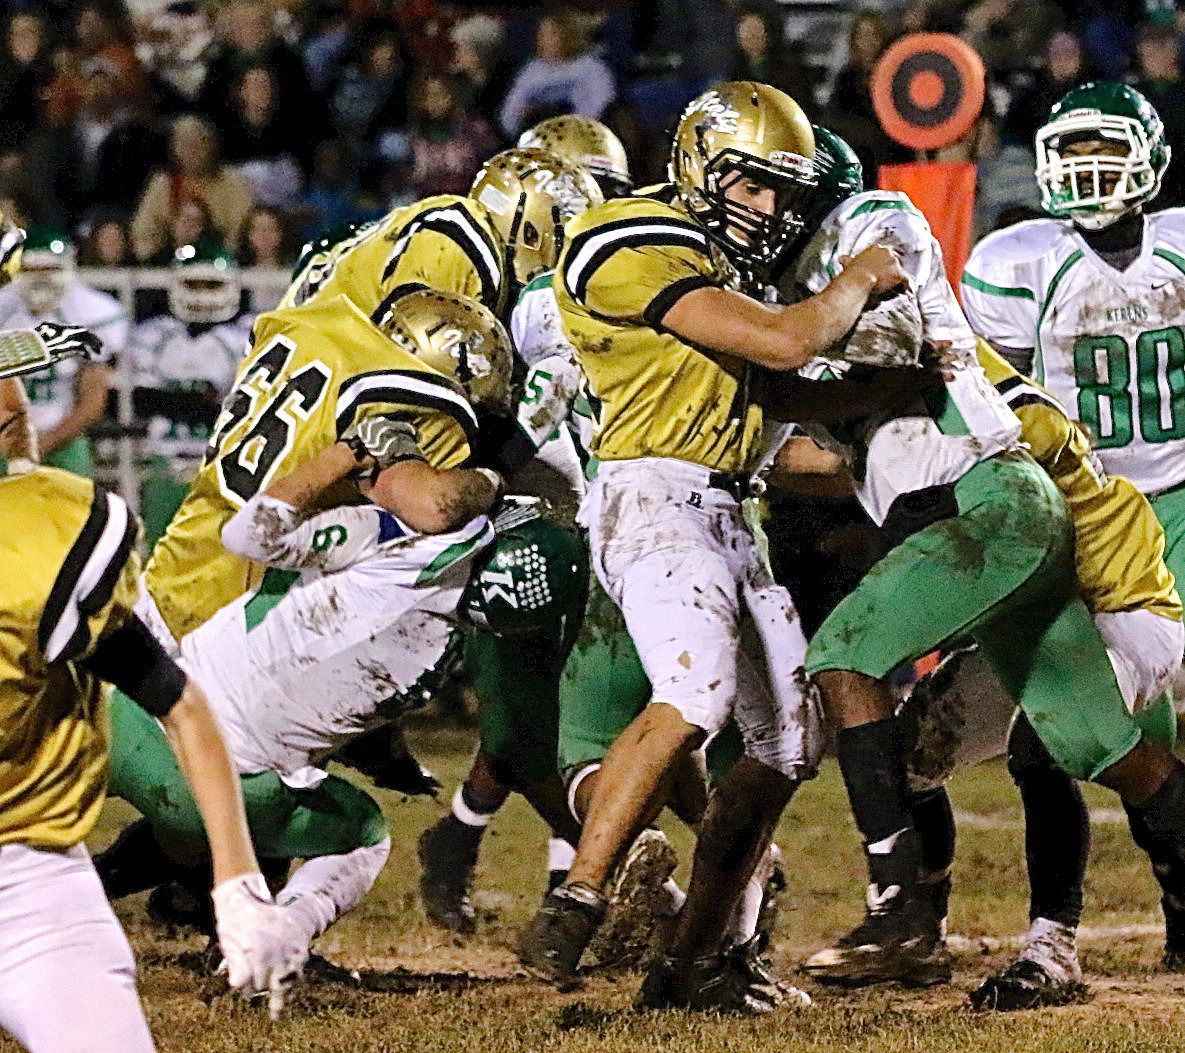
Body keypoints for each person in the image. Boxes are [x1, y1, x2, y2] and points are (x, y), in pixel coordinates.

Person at [516, 81, 908, 1008]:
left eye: (783, 191)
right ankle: (575, 897)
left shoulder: (729, 263)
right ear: (696, 163)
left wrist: (892, 391)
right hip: (650, 496)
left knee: (781, 746)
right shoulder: (631, 239)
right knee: (692, 690)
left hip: (732, 506)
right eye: (752, 185)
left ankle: (700, 958)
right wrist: (858, 278)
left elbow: (769, 396)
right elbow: (779, 345)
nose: (768, 209)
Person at [787, 103, 1185, 992]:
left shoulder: (989, 410)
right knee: (936, 746)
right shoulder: (1011, 271)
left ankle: (1055, 937)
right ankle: (937, 927)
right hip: (1054, 528)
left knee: (1070, 738)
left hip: (1136, 540)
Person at [98, 290, 525, 972]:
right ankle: (261, 934)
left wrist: (339, 458)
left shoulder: (310, 333)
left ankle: (156, 898)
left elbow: (264, 525)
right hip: (227, 637)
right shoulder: (430, 607)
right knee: (282, 794)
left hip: (181, 575)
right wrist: (490, 477)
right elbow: (432, 503)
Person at [0, 228, 308, 1052]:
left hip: (23, 886)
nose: (11, 398)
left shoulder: (41, 540)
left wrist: (239, 879)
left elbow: (178, 701)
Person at [959, 80, 1185, 990]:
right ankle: (1055, 936)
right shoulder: (1014, 261)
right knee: (1069, 734)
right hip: (1083, 515)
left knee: (1090, 732)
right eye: (1074, 154)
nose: (1090, 172)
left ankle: (1060, 935)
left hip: (1177, 504)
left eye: (1107, 153)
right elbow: (986, 400)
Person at [284, 146, 601, 324]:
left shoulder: (458, 230)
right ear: (530, 231)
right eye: (564, 237)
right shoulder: (460, 244)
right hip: (315, 365)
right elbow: (418, 367)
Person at [130, 245, 250, 546]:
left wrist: (174, 401)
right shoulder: (154, 334)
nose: (201, 294)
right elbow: (140, 399)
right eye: (193, 284)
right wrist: (208, 404)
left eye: (212, 284)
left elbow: (249, 408)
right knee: (158, 547)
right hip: (163, 458)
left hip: (225, 462)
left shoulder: (250, 335)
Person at [0, 230, 123, 477]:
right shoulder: (5, 309)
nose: (41, 279)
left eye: (50, 269)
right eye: (32, 270)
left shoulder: (92, 311)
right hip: (5, 439)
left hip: (65, 440)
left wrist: (44, 443)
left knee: (74, 512)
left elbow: (92, 402)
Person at [132, 115, 255, 262]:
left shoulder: (230, 182)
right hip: (170, 264)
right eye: (183, 144)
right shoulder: (163, 184)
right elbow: (144, 231)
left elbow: (241, 228)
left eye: (197, 144)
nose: (190, 151)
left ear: (210, 146)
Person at [498, 12, 617, 139]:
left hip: (581, 135)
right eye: (542, 34)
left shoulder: (591, 67)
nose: (543, 39)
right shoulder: (531, 70)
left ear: (568, 36)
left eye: (551, 34)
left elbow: (602, 105)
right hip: (537, 136)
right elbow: (510, 112)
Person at [403, 72, 499, 200]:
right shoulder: (413, 136)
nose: (435, 102)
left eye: (440, 95)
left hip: (467, 199)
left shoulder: (474, 130)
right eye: (428, 96)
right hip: (426, 202)